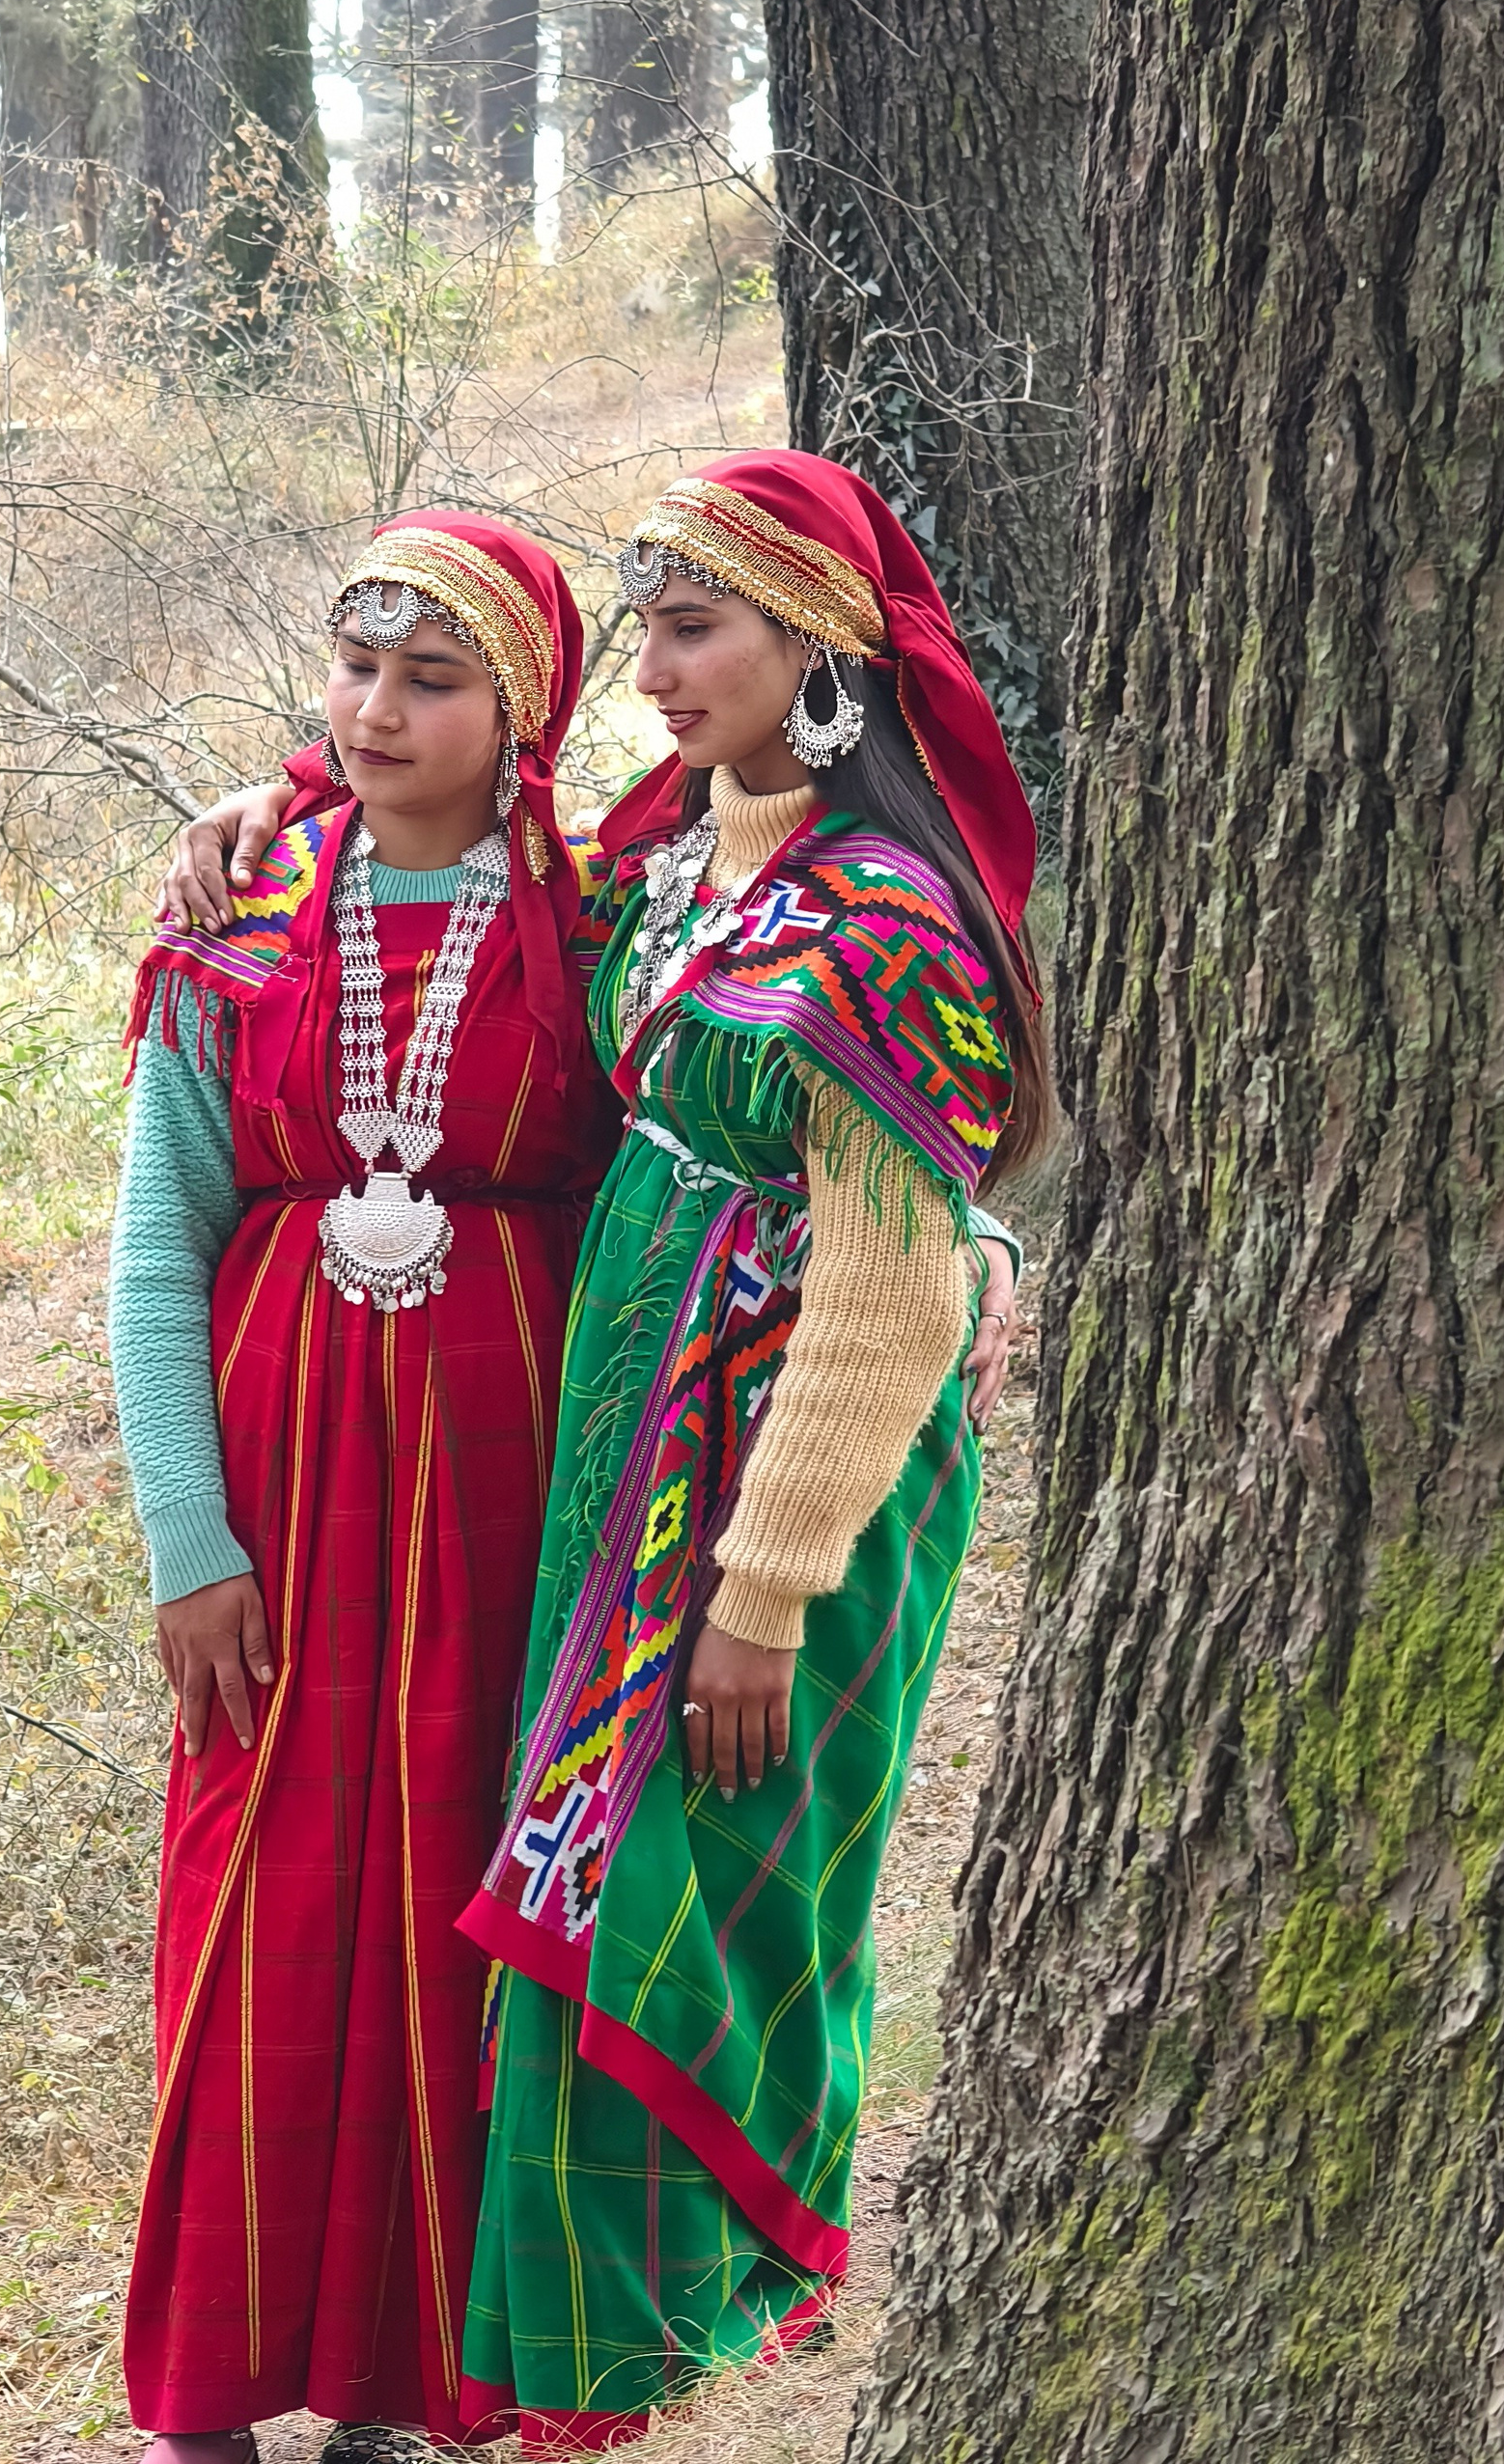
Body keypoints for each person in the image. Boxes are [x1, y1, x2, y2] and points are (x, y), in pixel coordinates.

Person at [435, 450, 1050, 2447]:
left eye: (691, 632)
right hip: (631, 1442)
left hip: (802, 1473)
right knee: (586, 1851)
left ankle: (710, 2282)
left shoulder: (890, 922)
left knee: (711, 1873)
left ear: (824, 648)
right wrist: (236, 823)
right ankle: (583, 2340)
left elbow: (886, 1294)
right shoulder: (677, 862)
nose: (649, 674)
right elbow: (425, 845)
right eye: (642, 632)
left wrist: (761, 1588)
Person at [109, 516, 624, 2463]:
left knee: (443, 1903)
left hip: (502, 1511)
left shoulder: (603, 923)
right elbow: (158, 1242)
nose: (374, 708)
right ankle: (213, 2386)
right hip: (277, 1505)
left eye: (430, 677)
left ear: (524, 710)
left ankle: (409, 2385)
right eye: (353, 666)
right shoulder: (230, 923)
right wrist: (187, 1540)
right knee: (250, 1900)